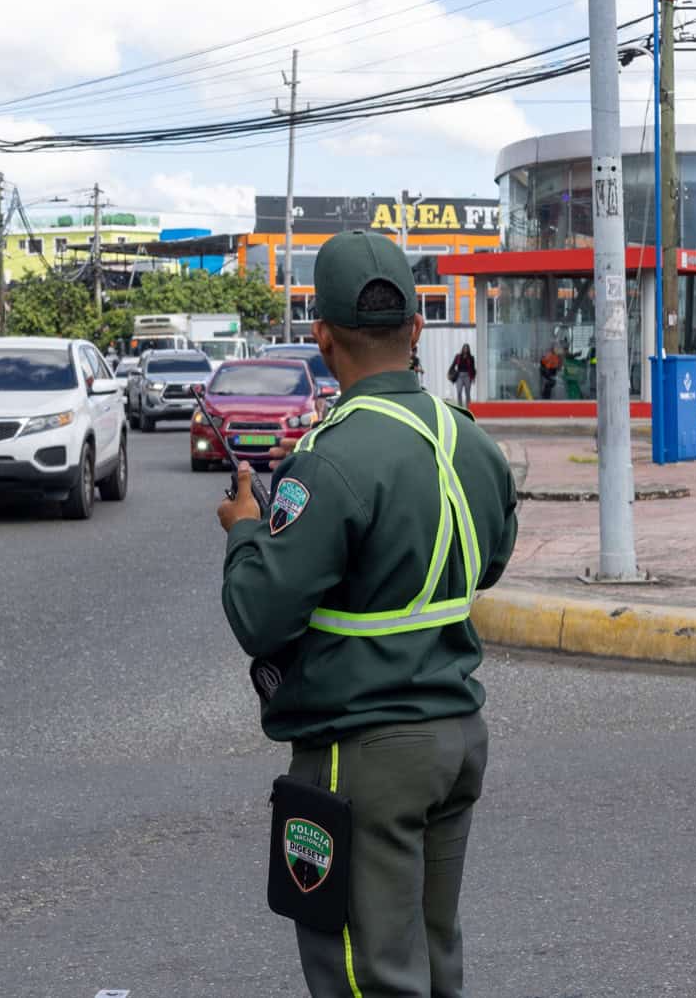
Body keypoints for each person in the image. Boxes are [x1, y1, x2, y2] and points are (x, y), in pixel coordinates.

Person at [216, 230, 519, 998]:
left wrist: (246, 531)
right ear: (416, 328)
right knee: (433, 961)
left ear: (322, 336)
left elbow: (259, 613)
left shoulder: (330, 458)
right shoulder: (471, 443)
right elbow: (486, 563)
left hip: (367, 751)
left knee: (368, 978)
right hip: (456, 735)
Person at [447, 343, 476, 408]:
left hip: (467, 376)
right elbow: (453, 365)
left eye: (467, 348)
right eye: (464, 348)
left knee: (467, 392)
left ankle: (468, 407)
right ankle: (460, 406)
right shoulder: (458, 356)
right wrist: (449, 373)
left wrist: (473, 378)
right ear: (462, 349)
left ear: (468, 349)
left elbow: (473, 368)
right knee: (459, 391)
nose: (465, 349)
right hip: (459, 375)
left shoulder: (471, 357)